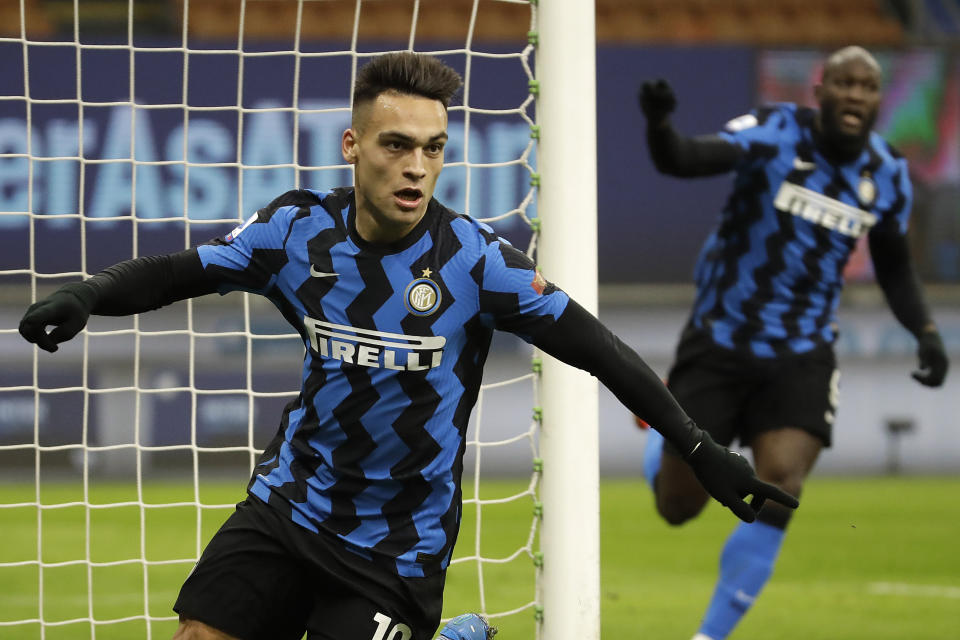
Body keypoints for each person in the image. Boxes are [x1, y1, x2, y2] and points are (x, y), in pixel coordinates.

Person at [19, 51, 796, 640]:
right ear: (353, 145)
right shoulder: (295, 232)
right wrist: (89, 295)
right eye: (397, 145)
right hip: (290, 502)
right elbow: (178, 272)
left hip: (397, 544)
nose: (417, 166)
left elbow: (600, 350)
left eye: (433, 148)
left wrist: (697, 448)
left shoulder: (476, 261)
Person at [637, 46, 948, 640]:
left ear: (878, 101)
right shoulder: (775, 130)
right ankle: (662, 444)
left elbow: (895, 268)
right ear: (820, 88)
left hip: (802, 351)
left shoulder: (886, 174)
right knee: (677, 508)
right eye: (845, 83)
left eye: (869, 86)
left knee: (781, 486)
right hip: (721, 340)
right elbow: (685, 159)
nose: (856, 94)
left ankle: (709, 637)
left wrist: (925, 331)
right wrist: (659, 125)